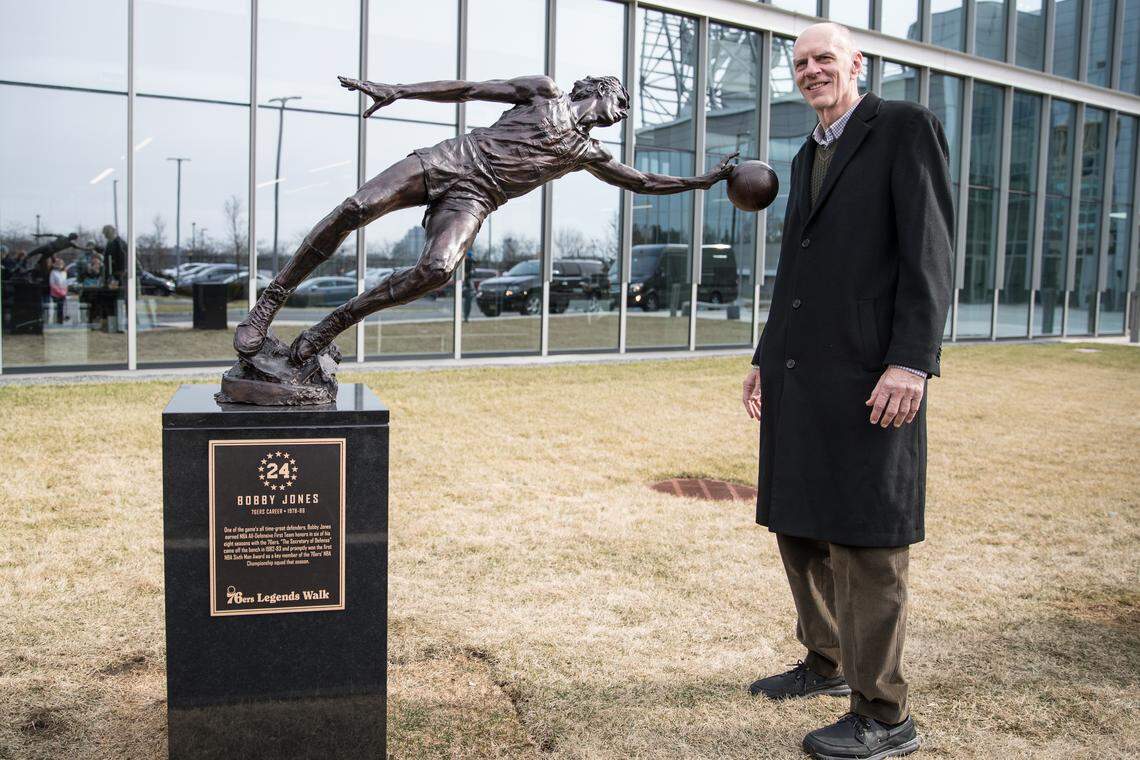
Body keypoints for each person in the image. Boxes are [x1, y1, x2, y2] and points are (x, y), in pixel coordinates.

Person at [740, 23, 953, 760]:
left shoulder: (903, 128)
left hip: (872, 374)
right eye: (800, 63)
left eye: (824, 58)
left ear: (857, 63)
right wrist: (766, 356)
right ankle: (826, 664)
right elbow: (794, 270)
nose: (811, 71)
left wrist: (912, 360)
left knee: (867, 541)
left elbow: (929, 250)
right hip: (803, 373)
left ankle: (885, 715)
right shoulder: (807, 155)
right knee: (799, 526)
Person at [233, 74, 737, 363]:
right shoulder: (543, 91)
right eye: (621, 99)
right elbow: (470, 89)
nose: (624, 111)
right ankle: (271, 299)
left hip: (477, 198)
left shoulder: (587, 152)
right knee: (356, 208)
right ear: (599, 88)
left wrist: (702, 182)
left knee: (437, 271)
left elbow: (643, 182)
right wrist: (401, 92)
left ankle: (330, 326)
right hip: (453, 159)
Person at [49, 255, 68, 323]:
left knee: (63, 307)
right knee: (57, 308)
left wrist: (65, 291)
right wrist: (59, 291)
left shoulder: (64, 272)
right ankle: (56, 321)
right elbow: (52, 284)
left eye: (61, 264)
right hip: (55, 294)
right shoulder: (53, 272)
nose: (60, 265)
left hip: (63, 293)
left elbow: (65, 282)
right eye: (58, 264)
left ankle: (62, 320)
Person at [461, 250, 477, 323]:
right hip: (467, 285)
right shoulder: (470, 263)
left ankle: (466, 317)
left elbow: (468, 275)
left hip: (468, 285)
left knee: (467, 302)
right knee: (467, 302)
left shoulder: (468, 263)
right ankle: (466, 317)